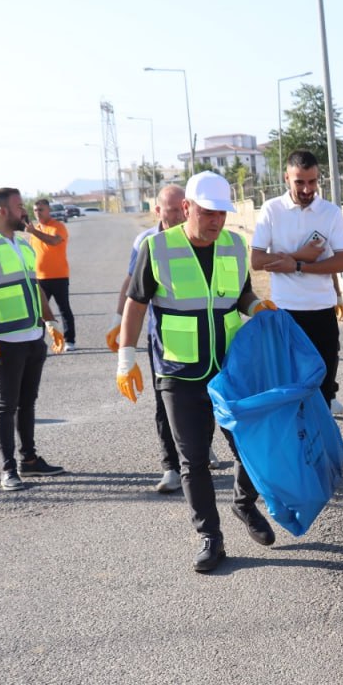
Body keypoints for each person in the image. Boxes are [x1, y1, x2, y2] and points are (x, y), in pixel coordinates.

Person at [115, 172, 277, 572]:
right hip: (178, 372)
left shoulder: (234, 245)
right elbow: (136, 304)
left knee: (250, 448)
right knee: (193, 461)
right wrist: (125, 356)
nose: (216, 221)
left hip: (228, 368)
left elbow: (240, 294)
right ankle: (211, 536)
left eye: (222, 213)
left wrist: (256, 307)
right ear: (186, 208)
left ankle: (244, 503)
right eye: (208, 212)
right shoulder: (157, 248)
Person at [106, 184, 224, 492]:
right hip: (165, 341)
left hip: (206, 344)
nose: (173, 217)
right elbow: (133, 286)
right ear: (160, 210)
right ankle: (170, 465)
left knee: (206, 400)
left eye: (177, 210)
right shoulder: (148, 242)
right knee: (164, 402)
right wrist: (120, 325)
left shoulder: (206, 239)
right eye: (168, 211)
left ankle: (198, 445)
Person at [0, 187, 67, 491]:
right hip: (5, 339)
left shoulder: (23, 245)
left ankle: (29, 460)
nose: (25, 212)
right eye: (20, 207)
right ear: (2, 211)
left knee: (28, 402)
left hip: (33, 335)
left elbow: (34, 288)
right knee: (6, 404)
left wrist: (50, 321)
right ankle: (8, 469)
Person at [251, 149, 343, 412]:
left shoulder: (331, 213)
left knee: (324, 386)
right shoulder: (272, 210)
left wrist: (297, 264)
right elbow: (257, 261)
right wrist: (300, 256)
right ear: (286, 178)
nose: (307, 189)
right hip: (286, 312)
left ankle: (323, 447)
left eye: (312, 182)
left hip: (322, 311)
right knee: (291, 387)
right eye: (300, 182)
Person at [28, 198, 76, 351]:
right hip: (40, 277)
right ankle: (38, 343)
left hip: (59, 276)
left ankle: (70, 341)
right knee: (39, 311)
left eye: (41, 210)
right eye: (35, 210)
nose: (38, 213)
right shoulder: (35, 230)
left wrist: (34, 231)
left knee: (64, 309)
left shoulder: (58, 226)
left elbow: (54, 241)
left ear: (48, 210)